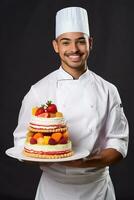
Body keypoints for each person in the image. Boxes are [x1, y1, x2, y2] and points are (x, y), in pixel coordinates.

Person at [13, 7, 129, 200]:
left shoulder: (109, 90)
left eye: (80, 41)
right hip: (54, 189)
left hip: (97, 188)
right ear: (56, 46)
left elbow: (119, 143)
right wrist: (44, 154)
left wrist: (86, 163)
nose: (74, 49)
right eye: (66, 42)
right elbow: (21, 142)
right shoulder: (38, 90)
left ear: (90, 43)